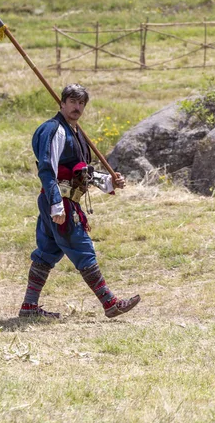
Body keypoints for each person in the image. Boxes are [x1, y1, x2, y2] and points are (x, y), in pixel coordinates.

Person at [19, 84, 140, 319]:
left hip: (64, 201)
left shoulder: (75, 132)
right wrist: (57, 206)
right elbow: (47, 170)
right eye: (72, 102)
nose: (77, 107)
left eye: (81, 103)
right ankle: (110, 303)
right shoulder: (55, 131)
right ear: (62, 103)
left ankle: (29, 307)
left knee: (47, 252)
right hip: (60, 203)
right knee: (82, 248)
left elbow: (81, 172)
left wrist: (110, 182)